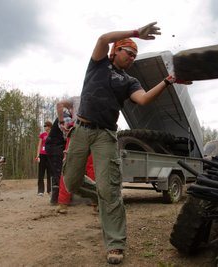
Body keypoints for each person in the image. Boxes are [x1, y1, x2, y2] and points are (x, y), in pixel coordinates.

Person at [62, 22, 187, 264]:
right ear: (115, 51)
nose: (131, 57)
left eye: (134, 55)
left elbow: (143, 99)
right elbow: (102, 37)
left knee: (110, 190)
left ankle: (115, 244)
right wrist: (136, 33)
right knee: (71, 182)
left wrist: (168, 81)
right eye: (127, 52)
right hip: (80, 130)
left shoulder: (130, 81)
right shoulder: (98, 63)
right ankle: (101, 195)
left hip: (105, 136)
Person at [46, 97, 79, 205]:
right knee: (60, 171)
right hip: (54, 146)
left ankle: (58, 199)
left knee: (59, 171)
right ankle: (58, 200)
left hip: (56, 146)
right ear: (71, 109)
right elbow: (67, 135)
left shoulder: (67, 115)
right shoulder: (67, 118)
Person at [35, 120, 52, 196]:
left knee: (50, 173)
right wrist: (37, 155)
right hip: (42, 155)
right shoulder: (42, 135)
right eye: (44, 126)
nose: (44, 127)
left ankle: (50, 190)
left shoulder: (53, 134)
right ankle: (40, 191)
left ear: (49, 126)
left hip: (50, 155)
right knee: (41, 173)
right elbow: (39, 145)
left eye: (46, 126)